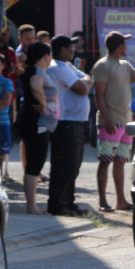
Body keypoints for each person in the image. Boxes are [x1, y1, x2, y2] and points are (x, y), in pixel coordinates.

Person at [91, 30, 135, 212]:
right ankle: (102, 201)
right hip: (110, 122)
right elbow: (98, 94)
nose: (127, 47)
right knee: (106, 161)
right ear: (119, 46)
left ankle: (121, 201)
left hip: (125, 122)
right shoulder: (102, 65)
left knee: (121, 161)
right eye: (124, 43)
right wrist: (106, 118)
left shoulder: (125, 65)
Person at [45, 35, 93, 217]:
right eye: (70, 48)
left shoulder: (68, 66)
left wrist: (86, 82)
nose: (73, 51)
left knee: (74, 165)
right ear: (62, 50)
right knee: (64, 165)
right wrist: (86, 83)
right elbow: (83, 88)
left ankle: (68, 202)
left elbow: (87, 77)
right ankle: (58, 204)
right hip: (66, 123)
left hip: (76, 122)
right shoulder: (57, 68)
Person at [18, 42, 59, 215]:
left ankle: (32, 205)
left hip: (40, 123)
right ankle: (31, 206)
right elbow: (35, 86)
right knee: (35, 164)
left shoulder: (37, 71)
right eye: (50, 55)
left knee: (35, 163)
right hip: (37, 123)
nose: (51, 58)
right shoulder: (36, 71)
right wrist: (43, 104)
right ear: (45, 56)